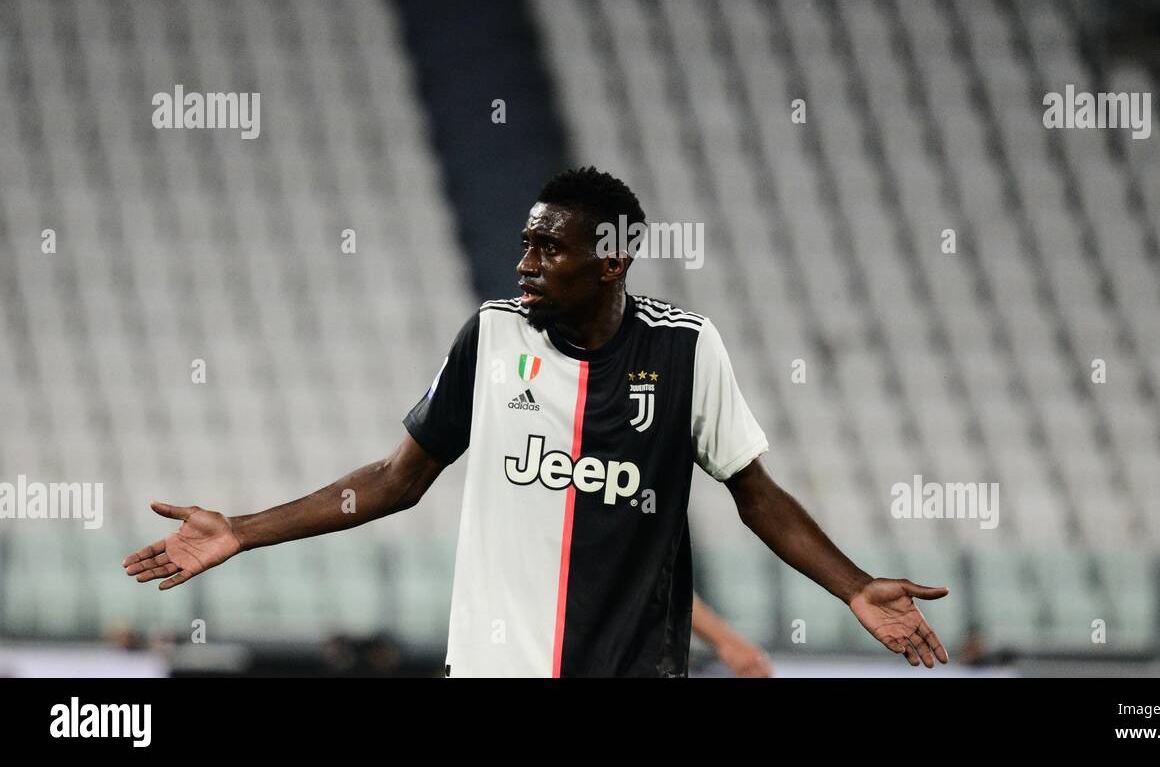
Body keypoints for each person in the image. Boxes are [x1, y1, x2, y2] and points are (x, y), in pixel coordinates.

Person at [124, 166, 950, 676]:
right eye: (525, 244)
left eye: (548, 248)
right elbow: (394, 480)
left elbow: (755, 492)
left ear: (612, 259)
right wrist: (239, 528)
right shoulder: (492, 337)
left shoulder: (687, 350)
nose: (524, 264)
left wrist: (852, 584)